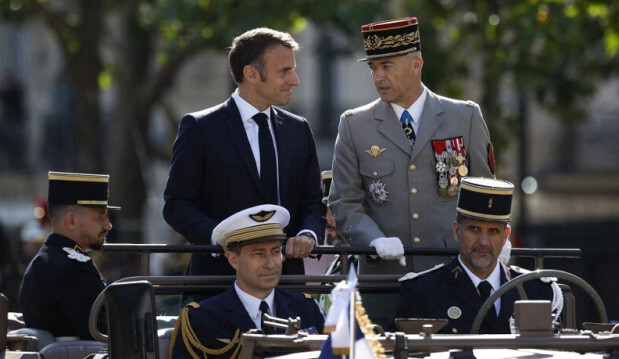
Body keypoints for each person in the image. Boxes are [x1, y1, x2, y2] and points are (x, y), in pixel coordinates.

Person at [329, 17, 496, 324]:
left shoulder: (465, 116)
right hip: (385, 280)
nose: (378, 76)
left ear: (416, 64)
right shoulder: (355, 125)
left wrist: (493, 241)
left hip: (453, 274)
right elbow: (344, 203)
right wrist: (373, 240)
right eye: (373, 68)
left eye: (387, 66)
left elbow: (485, 193)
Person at [163, 27, 325, 288]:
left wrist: (308, 234)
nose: (294, 80)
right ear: (251, 73)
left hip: (286, 286)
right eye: (284, 71)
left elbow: (313, 203)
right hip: (219, 284)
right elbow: (177, 205)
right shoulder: (200, 128)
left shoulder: (299, 130)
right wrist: (221, 239)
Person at [390, 177, 562, 334]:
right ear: (457, 231)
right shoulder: (423, 292)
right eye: (474, 229)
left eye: (493, 231)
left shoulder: (535, 291)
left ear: (505, 236)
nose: (483, 242)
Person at [169, 204, 325, 358]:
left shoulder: (306, 309)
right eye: (259, 254)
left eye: (276, 252)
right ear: (233, 259)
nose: (271, 264)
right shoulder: (201, 319)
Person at [19, 171, 119, 340]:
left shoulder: (47, 261)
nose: (108, 225)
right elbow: (109, 334)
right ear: (71, 221)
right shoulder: (73, 270)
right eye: (100, 216)